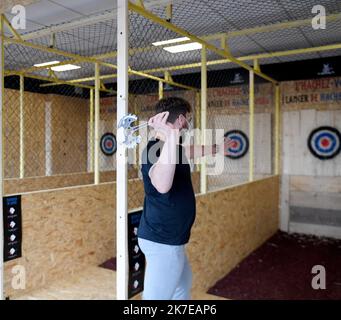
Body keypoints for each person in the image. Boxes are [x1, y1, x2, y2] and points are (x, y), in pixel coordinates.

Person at [137, 97, 232, 300]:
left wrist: (217, 149)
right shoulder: (153, 150)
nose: (188, 124)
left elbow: (188, 151)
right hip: (163, 240)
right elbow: (162, 185)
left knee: (182, 287)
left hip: (169, 238)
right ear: (180, 120)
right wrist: (172, 135)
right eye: (187, 119)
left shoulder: (171, 148)